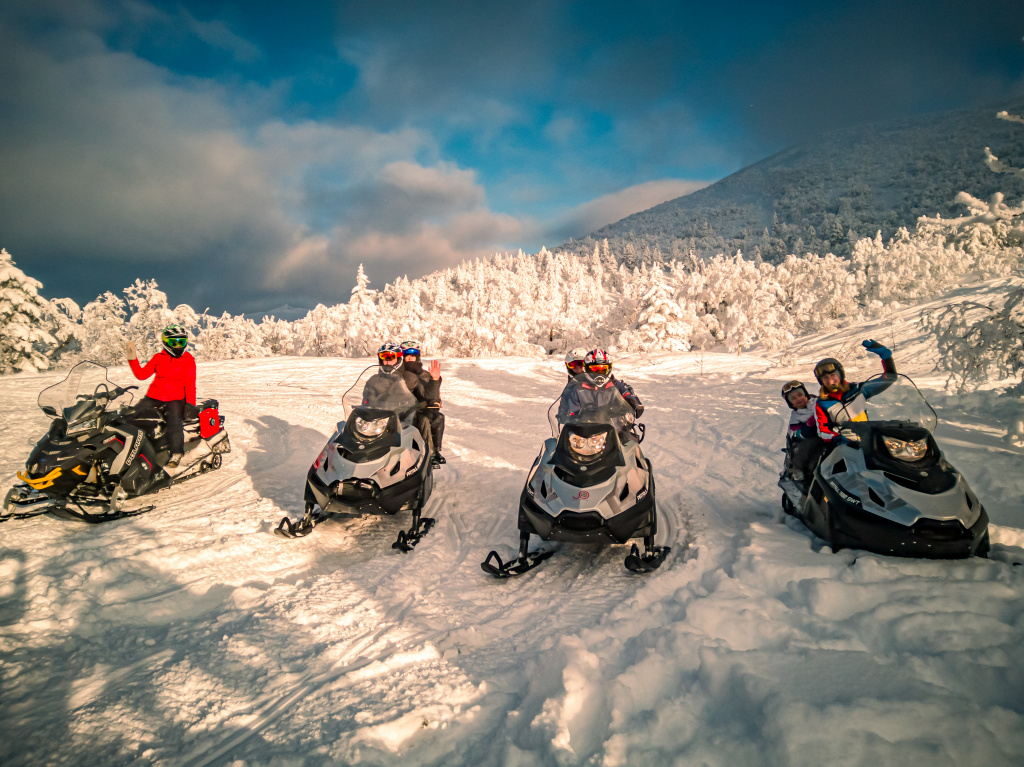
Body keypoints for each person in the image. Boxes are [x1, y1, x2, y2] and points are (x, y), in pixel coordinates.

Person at [126, 325, 196, 468]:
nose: (178, 346)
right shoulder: (159, 358)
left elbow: (190, 384)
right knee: (131, 415)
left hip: (175, 398)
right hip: (154, 396)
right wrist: (132, 358)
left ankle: (177, 452)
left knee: (174, 422)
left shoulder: (188, 359)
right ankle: (127, 446)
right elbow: (141, 375)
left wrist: (190, 405)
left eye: (181, 342)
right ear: (165, 342)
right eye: (174, 342)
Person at [814, 339, 898, 445]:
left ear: (840, 374)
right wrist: (837, 438)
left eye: (833, 375)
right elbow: (822, 431)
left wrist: (886, 357)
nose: (830, 381)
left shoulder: (857, 389)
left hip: (867, 441)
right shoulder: (822, 402)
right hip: (842, 444)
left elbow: (889, 378)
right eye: (825, 378)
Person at [400, 340, 446, 466]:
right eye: (407, 355)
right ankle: (428, 453)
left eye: (413, 355)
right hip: (403, 410)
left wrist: (435, 380)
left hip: (422, 408)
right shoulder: (398, 373)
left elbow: (429, 394)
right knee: (424, 419)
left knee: (438, 417)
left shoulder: (423, 374)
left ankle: (436, 450)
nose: (410, 358)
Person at [780, 380, 821, 483]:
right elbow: (799, 433)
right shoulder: (795, 418)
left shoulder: (819, 402)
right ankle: (802, 474)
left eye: (800, 395)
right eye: (793, 398)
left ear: (805, 394)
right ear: (790, 403)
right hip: (810, 443)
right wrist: (809, 424)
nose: (798, 399)